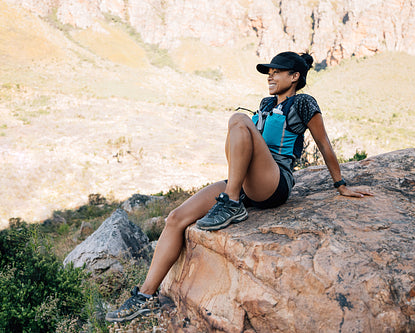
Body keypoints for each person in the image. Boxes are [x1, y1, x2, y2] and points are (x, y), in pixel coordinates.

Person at [105, 51, 372, 322]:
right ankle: (145, 297)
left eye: (277, 71)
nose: (270, 75)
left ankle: (230, 203)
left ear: (295, 77)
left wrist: (340, 184)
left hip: (274, 182)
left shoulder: (304, 103)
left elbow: (324, 143)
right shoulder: (266, 103)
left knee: (239, 119)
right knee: (176, 218)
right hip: (244, 182)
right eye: (269, 71)